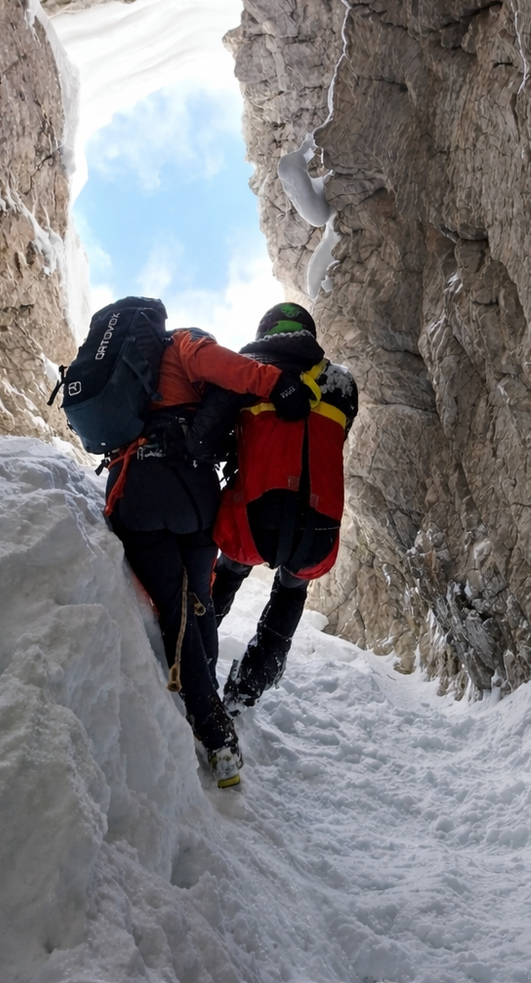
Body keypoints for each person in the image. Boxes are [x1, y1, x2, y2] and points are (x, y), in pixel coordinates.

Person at [99, 296, 312, 789]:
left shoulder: (138, 370)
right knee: (198, 604)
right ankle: (212, 717)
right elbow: (223, 367)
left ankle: (212, 730)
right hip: (192, 494)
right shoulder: (186, 341)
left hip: (139, 485)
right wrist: (277, 383)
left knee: (177, 609)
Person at [210, 302, 358, 715]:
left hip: (252, 519)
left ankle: (194, 657)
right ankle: (250, 686)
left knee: (229, 570)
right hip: (319, 527)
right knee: (292, 591)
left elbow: (219, 435)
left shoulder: (245, 374)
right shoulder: (343, 383)